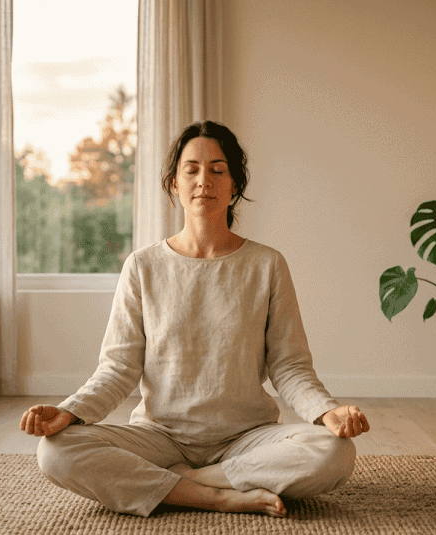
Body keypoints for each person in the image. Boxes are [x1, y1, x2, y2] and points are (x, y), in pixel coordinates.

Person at [20, 120, 369, 518]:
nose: (205, 180)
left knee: (335, 452)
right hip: (159, 437)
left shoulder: (267, 264)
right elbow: (118, 369)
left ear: (235, 185)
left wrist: (327, 411)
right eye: (192, 169)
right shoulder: (142, 266)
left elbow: (289, 367)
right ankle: (219, 494)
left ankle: (179, 483)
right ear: (174, 183)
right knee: (56, 451)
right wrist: (71, 411)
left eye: (218, 170)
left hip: (247, 437)